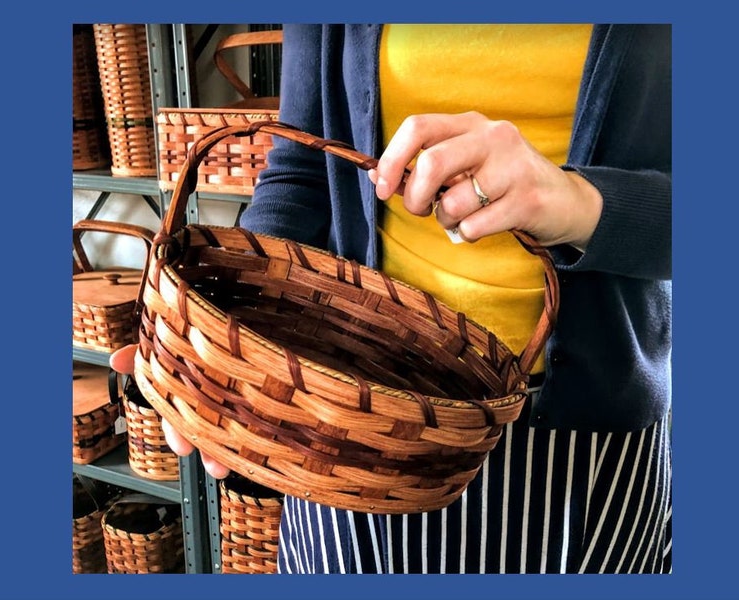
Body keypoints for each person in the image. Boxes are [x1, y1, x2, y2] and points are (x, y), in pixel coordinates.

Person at [111, 23, 672, 574]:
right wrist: (228, 341)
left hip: (586, 442)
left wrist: (579, 202)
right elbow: (302, 171)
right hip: (350, 421)